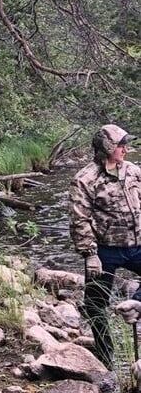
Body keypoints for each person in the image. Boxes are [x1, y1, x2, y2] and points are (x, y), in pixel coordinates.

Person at [69, 123, 141, 370]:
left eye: (125, 144)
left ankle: (137, 304)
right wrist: (90, 254)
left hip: (137, 244)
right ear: (107, 147)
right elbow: (79, 219)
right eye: (121, 145)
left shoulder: (133, 171)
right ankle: (105, 359)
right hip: (104, 250)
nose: (126, 149)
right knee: (95, 304)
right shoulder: (85, 179)